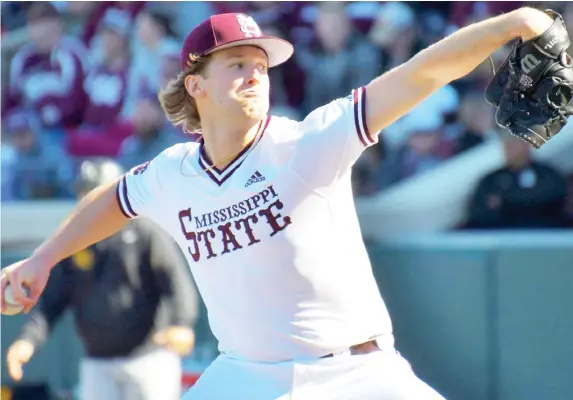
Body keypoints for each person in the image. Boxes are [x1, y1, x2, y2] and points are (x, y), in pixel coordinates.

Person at [0, 8, 557, 399]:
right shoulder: (173, 174)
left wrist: (510, 24)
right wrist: (43, 258)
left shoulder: (308, 142)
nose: (254, 74)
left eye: (261, 65)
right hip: (246, 376)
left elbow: (419, 75)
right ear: (195, 85)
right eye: (236, 64)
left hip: (356, 373)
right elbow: (113, 200)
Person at [5, 158, 198, 400]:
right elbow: (51, 302)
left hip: (149, 358)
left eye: (94, 194)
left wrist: (180, 323)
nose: (87, 202)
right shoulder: (70, 243)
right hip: (97, 362)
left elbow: (176, 284)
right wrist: (28, 341)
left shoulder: (145, 233)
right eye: (83, 193)